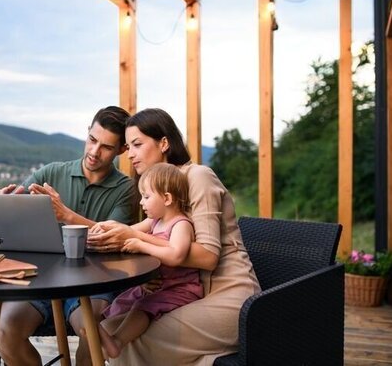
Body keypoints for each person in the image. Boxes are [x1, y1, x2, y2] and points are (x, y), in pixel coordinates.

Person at [87, 108, 261, 365]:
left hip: (230, 296)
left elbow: (208, 258)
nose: (130, 154)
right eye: (128, 146)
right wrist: (104, 233)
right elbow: (138, 232)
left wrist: (136, 240)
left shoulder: (197, 176)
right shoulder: (159, 191)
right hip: (187, 294)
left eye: (137, 144)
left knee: (131, 342)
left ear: (164, 143)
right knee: (106, 331)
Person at [0, 106, 138, 366]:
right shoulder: (51, 173)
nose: (94, 152)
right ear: (87, 134)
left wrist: (66, 215)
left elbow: (112, 236)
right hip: (41, 281)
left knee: (92, 331)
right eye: (92, 140)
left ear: (121, 150)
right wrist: (1, 205)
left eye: (106, 147)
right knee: (5, 333)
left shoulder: (126, 189)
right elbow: (13, 213)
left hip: (93, 283)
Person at [92, 162, 203, 359]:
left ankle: (117, 342)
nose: (141, 203)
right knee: (122, 300)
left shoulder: (181, 224)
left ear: (167, 198)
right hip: (158, 284)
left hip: (179, 288)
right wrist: (107, 228)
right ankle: (98, 332)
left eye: (146, 196)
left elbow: (176, 255)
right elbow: (129, 231)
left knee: (142, 306)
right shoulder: (155, 221)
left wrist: (142, 245)